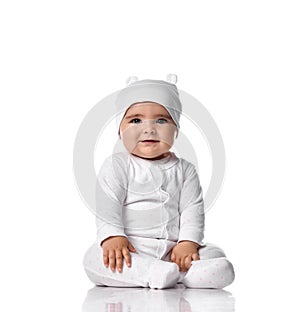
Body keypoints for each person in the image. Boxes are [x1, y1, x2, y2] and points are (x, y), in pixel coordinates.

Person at [83, 75, 235, 289]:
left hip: (174, 253)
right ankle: (153, 273)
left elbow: (193, 209)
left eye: (162, 120)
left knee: (215, 253)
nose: (149, 129)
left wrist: (187, 243)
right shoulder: (117, 166)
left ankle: (178, 272)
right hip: (131, 250)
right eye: (136, 120)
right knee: (94, 258)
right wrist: (113, 236)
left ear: (177, 130)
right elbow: (108, 207)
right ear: (119, 130)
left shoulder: (185, 170)